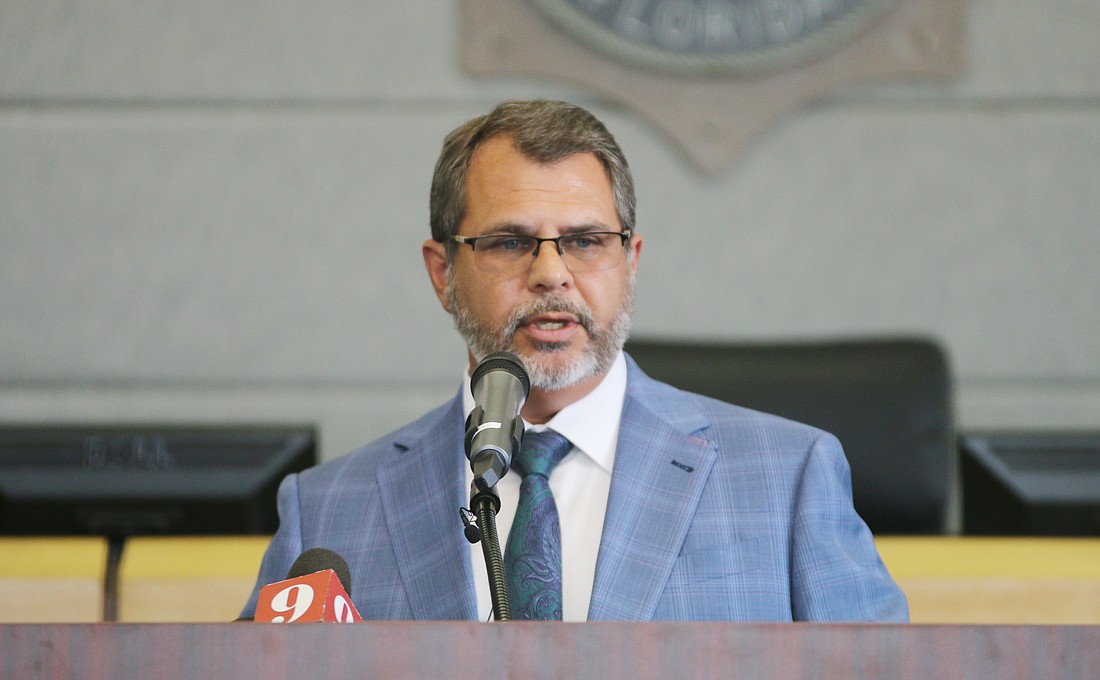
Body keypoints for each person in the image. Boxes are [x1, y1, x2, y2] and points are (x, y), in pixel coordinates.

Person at [240, 99, 908, 622]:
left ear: (631, 262)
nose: (551, 274)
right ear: (442, 273)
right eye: (508, 242)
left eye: (586, 240)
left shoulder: (788, 482)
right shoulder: (327, 511)